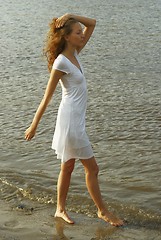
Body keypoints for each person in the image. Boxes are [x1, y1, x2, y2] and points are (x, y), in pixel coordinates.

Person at [25, 13, 124, 227]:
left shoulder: (76, 53)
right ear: (67, 37)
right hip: (70, 122)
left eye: (81, 32)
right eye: (78, 32)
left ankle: (60, 209)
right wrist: (34, 125)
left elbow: (93, 23)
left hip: (76, 120)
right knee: (93, 169)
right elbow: (47, 97)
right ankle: (103, 211)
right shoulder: (61, 62)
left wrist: (71, 16)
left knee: (68, 167)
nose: (82, 34)